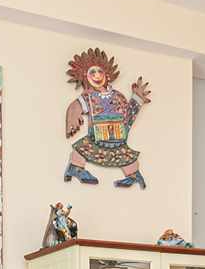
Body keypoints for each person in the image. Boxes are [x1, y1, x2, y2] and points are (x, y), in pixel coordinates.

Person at [62, 48, 151, 188]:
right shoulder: (88, 97)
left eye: (100, 72)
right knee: (82, 148)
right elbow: (76, 106)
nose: (97, 75)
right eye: (92, 72)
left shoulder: (118, 96)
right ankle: (76, 168)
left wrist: (137, 99)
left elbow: (128, 116)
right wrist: (72, 118)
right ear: (85, 76)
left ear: (107, 74)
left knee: (125, 155)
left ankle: (133, 175)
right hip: (96, 136)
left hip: (118, 137)